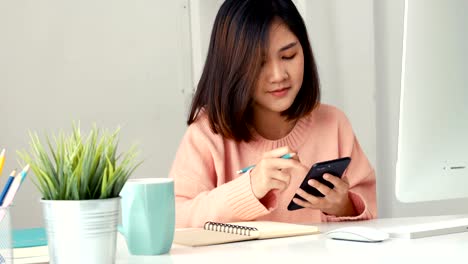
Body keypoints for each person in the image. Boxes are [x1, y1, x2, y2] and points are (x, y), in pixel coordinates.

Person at [169, 0, 376, 228]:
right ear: (231, 66)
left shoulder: (334, 124)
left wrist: (343, 205)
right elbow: (174, 218)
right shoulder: (207, 133)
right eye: (258, 63)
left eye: (288, 56)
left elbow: (370, 213)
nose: (278, 75)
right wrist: (250, 188)